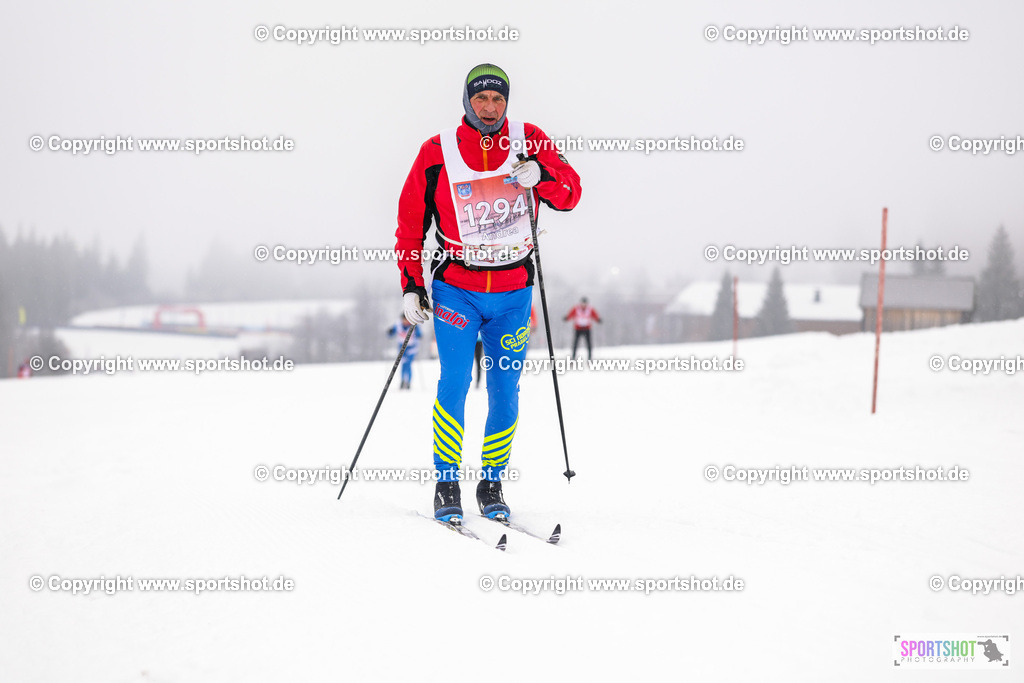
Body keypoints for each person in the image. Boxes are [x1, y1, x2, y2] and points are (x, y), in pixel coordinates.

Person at [395, 63, 582, 522]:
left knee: (505, 390)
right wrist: (411, 284)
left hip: (514, 292)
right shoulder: (435, 151)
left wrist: (541, 174)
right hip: (457, 290)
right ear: (466, 100)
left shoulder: (529, 139)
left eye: (498, 99)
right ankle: (446, 483)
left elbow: (571, 193)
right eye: (481, 98)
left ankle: (492, 482)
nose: (490, 107)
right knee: (455, 382)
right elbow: (410, 224)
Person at [387, 315, 422, 390]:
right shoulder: (398, 325)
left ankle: (408, 382)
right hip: (402, 348)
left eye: (407, 320)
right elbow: (391, 333)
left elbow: (419, 334)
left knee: (408, 364)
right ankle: (402, 381)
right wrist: (389, 332)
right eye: (404, 320)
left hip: (411, 348)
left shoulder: (413, 325)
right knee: (403, 364)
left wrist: (419, 335)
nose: (406, 322)